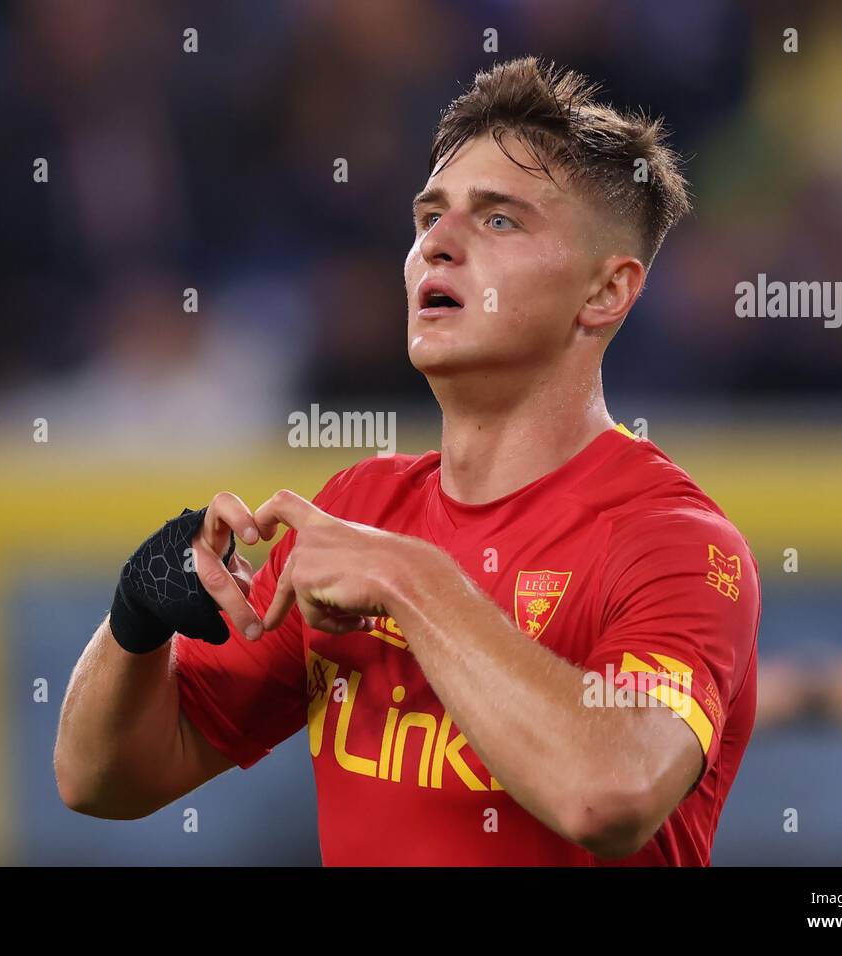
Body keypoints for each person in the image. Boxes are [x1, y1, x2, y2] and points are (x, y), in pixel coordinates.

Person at [54, 56, 760, 865]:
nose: (438, 246)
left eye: (499, 220)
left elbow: (610, 793)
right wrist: (137, 621)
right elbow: (102, 781)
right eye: (429, 217)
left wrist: (410, 579)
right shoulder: (362, 507)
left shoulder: (675, 543)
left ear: (605, 293)